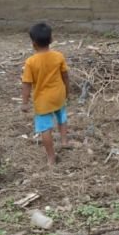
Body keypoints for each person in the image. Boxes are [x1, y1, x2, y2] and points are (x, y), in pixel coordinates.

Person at [21, 23, 72, 166]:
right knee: (62, 118)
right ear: (51, 39)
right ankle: (64, 141)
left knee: (45, 128)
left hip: (43, 100)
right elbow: (65, 76)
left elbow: (27, 84)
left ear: (33, 43)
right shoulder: (58, 56)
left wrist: (24, 102)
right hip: (59, 94)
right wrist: (67, 91)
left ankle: (51, 157)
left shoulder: (31, 62)